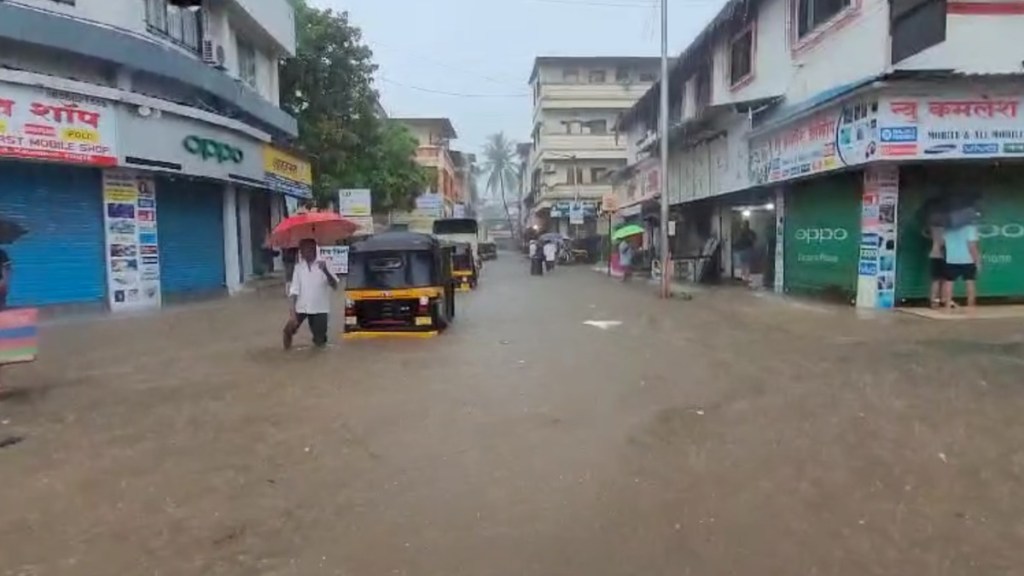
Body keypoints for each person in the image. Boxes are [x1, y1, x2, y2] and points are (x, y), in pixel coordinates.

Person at [284, 238, 338, 349]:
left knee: (319, 342)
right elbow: (294, 292)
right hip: (301, 307)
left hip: (320, 308)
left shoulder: (326, 263)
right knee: (287, 331)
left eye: (304, 250)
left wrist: (325, 271)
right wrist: (293, 314)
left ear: (313, 249)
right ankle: (286, 353)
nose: (301, 253)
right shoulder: (299, 267)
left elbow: (335, 286)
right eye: (301, 251)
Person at [942, 222, 981, 311]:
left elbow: (943, 242)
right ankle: (970, 306)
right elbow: (972, 246)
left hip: (951, 258)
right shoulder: (971, 228)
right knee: (970, 282)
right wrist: (977, 260)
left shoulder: (948, 228)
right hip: (968, 259)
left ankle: (947, 306)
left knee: (949, 282)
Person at [927, 224, 946, 309]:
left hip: (934, 255)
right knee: (944, 279)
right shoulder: (947, 229)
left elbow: (925, 233)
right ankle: (943, 300)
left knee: (936, 280)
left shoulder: (933, 227)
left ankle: (934, 301)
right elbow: (943, 243)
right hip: (944, 256)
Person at [733, 220, 757, 284]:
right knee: (746, 264)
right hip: (746, 249)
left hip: (744, 249)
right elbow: (754, 239)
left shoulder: (742, 232)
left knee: (744, 264)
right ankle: (746, 277)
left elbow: (737, 240)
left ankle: (744, 277)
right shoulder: (749, 233)